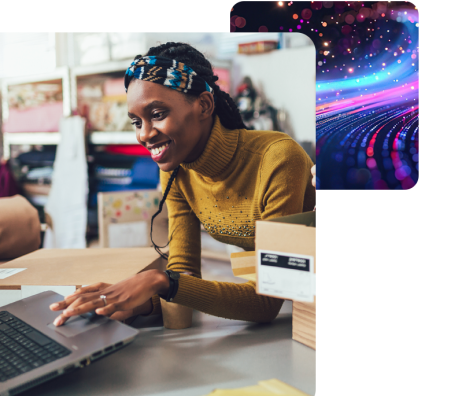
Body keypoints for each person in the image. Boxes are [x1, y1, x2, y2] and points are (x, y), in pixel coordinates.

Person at [50, 42, 316, 326]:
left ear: (204, 105)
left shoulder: (277, 158)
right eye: (136, 122)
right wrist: (137, 303)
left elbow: (267, 301)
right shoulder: (177, 168)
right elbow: (183, 272)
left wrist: (160, 282)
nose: (144, 135)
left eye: (157, 114)